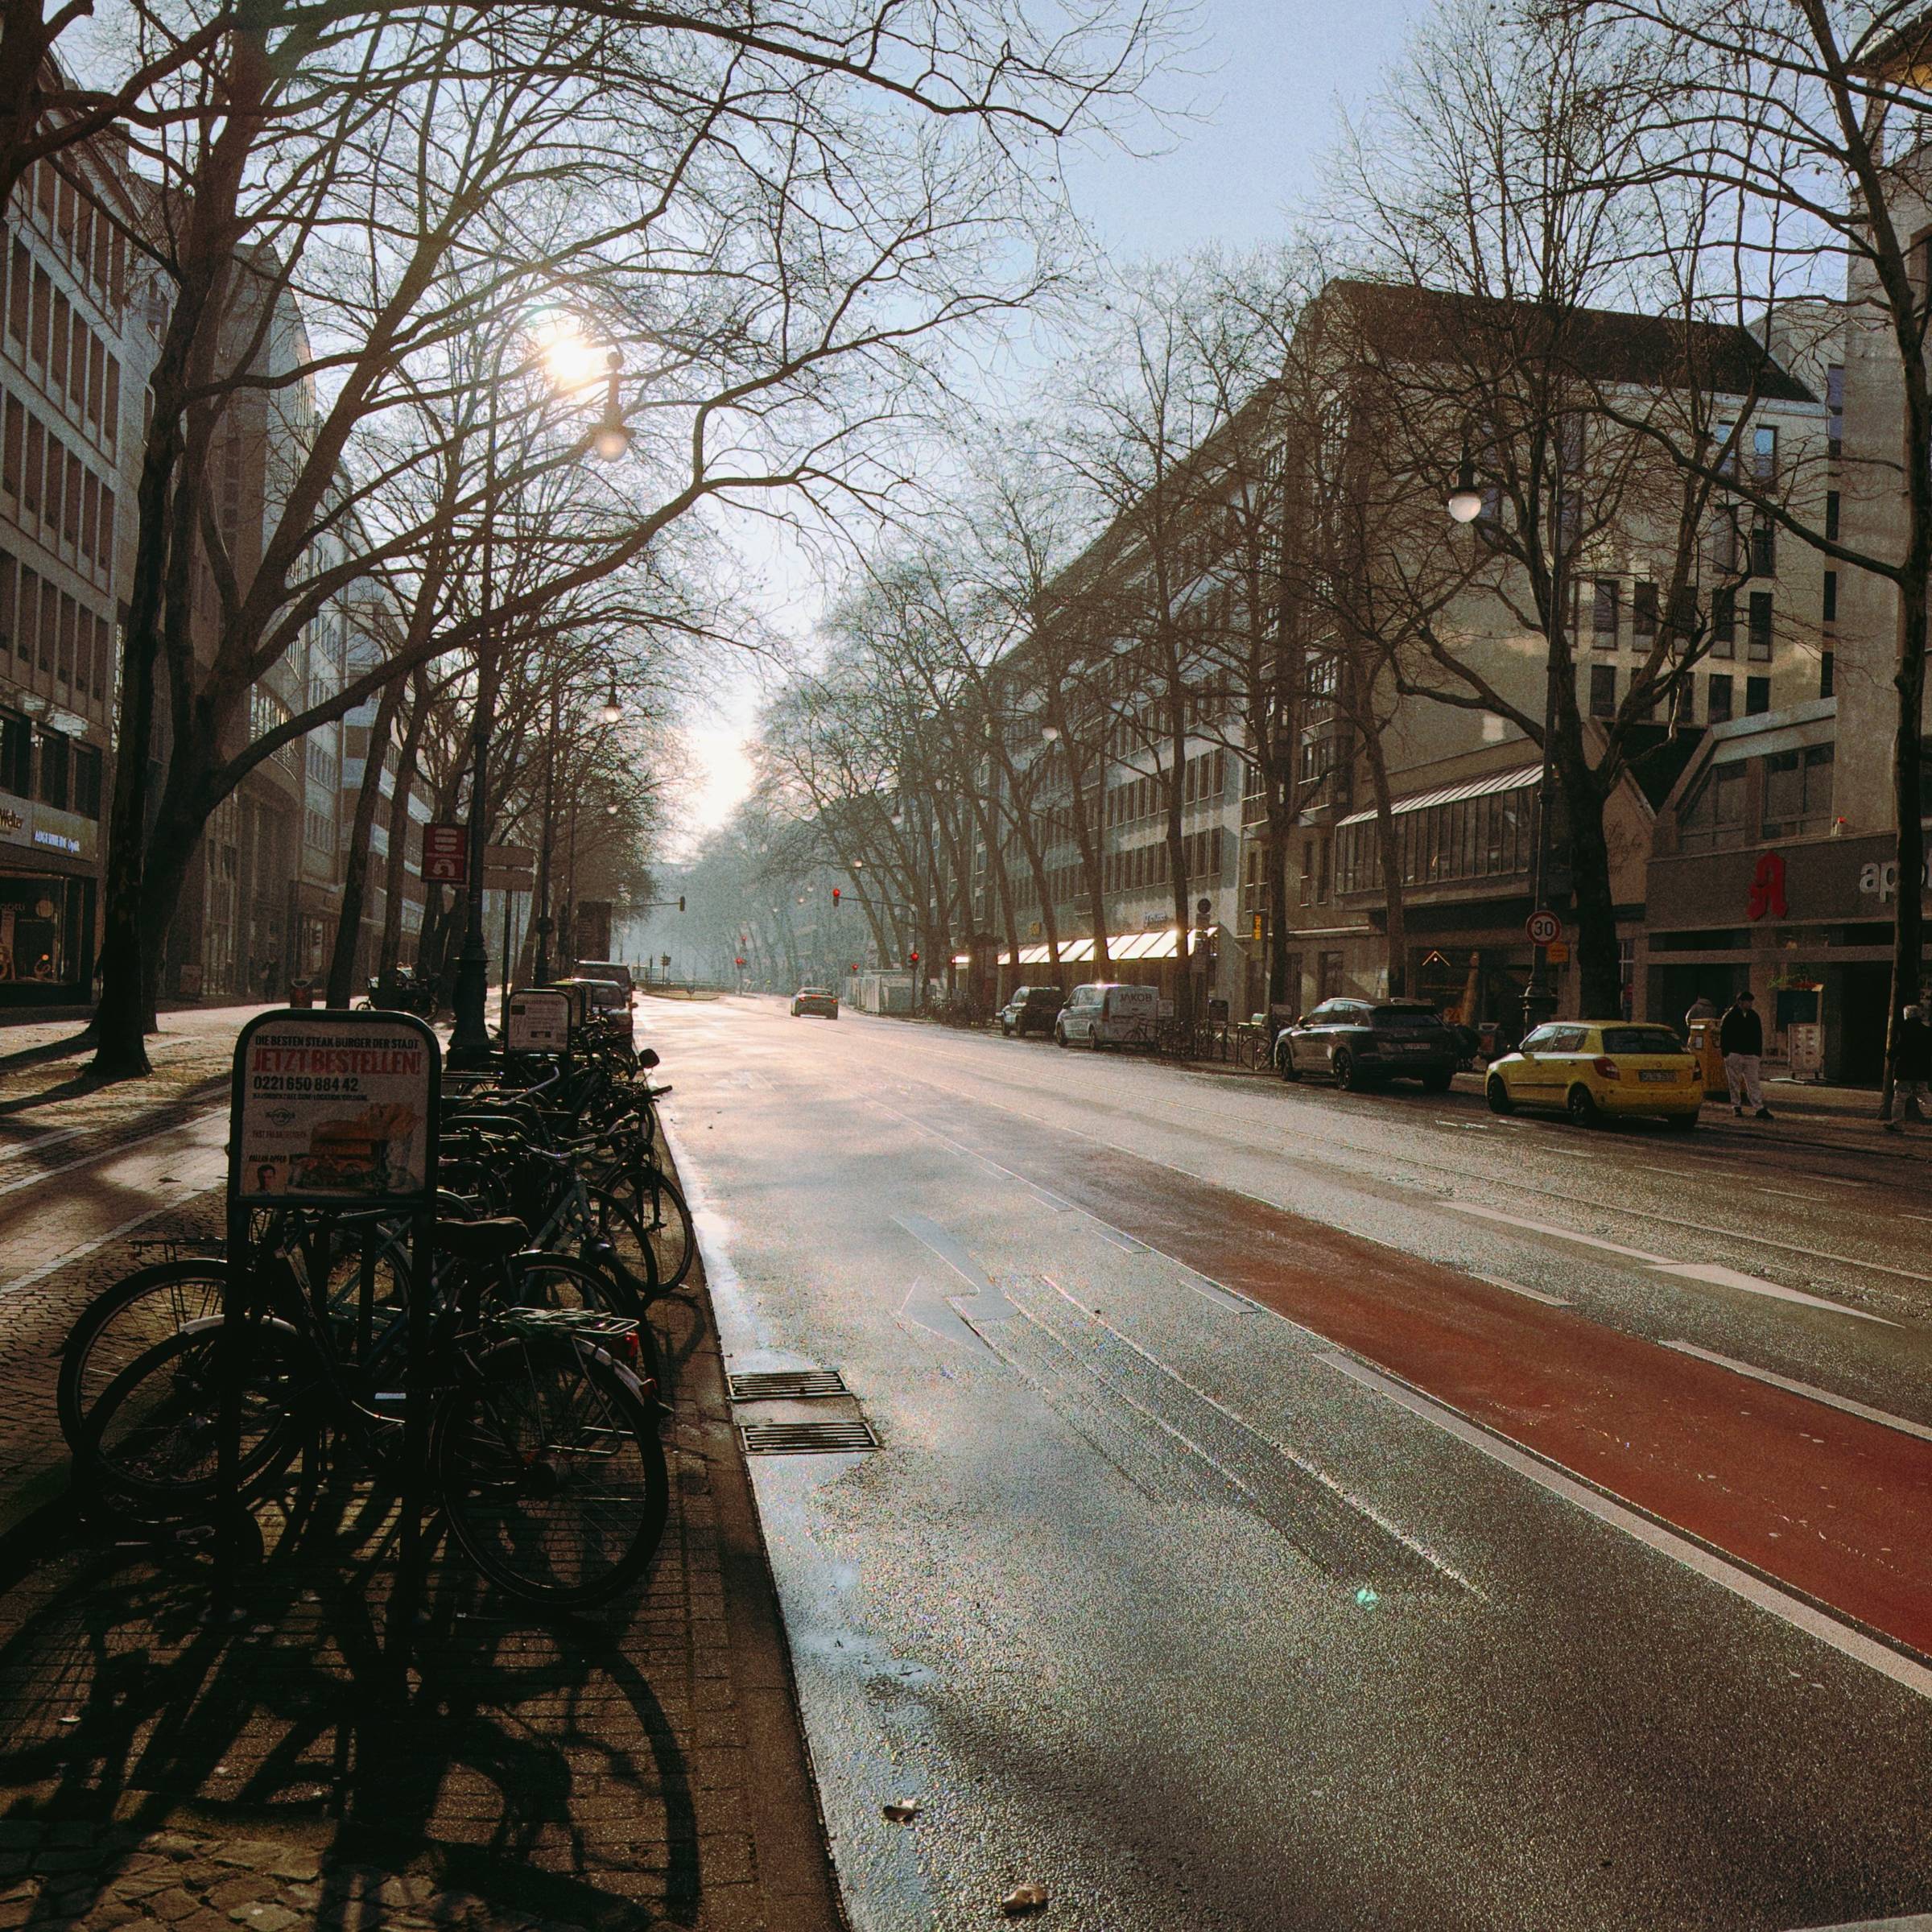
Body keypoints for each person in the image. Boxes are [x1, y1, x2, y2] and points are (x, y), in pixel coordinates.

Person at [1719, 988, 1773, 1121]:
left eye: (1750, 1002)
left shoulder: (1753, 1016)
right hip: (1735, 1053)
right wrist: (1727, 1053)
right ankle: (1737, 1106)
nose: (1750, 1004)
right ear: (1740, 1002)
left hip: (1749, 1054)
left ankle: (1758, 1107)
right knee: (1734, 1082)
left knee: (1753, 1081)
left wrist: (1757, 1053)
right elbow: (1724, 1035)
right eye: (1748, 1002)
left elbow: (1758, 1035)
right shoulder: (1730, 1016)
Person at [1885, 995, 1932, 1134]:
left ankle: (1897, 1124)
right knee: (1924, 1094)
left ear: (1907, 1015)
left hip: (1905, 1069)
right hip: (1922, 1069)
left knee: (1900, 1097)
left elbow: (1899, 1048)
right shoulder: (1927, 1031)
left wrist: (1890, 1055)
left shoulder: (1903, 1030)